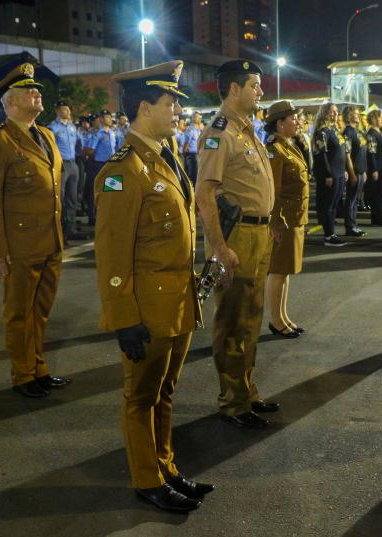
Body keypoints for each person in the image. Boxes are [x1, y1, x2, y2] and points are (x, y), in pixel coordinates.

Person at [94, 60, 213, 513]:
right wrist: (123, 317)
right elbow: (112, 253)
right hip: (147, 308)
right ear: (145, 108)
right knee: (141, 396)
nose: (178, 111)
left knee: (165, 392)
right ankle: (147, 479)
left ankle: (166, 467)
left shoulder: (165, 158)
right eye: (170, 103)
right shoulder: (124, 171)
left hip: (177, 300)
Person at [195, 59, 280, 429]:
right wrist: (219, 248)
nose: (261, 91)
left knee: (251, 316)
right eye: (254, 85)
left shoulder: (245, 129)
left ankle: (247, 391)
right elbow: (205, 195)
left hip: (258, 234)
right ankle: (233, 401)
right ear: (234, 89)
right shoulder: (219, 133)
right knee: (232, 319)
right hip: (237, 237)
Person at [0, 62, 71, 398]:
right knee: (20, 313)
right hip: (19, 245)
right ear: (11, 101)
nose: (37, 94)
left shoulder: (46, 135)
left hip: (50, 239)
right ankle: (22, 374)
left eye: (37, 90)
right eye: (29, 91)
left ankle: (38, 367)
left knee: (40, 312)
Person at [264, 100, 310, 339]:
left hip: (294, 217)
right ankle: (275, 320)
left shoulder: (289, 146)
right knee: (278, 270)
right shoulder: (274, 150)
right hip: (284, 220)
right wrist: (275, 221)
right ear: (280, 123)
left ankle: (282, 316)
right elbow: (273, 189)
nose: (297, 122)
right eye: (293, 118)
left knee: (286, 270)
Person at [312, 102, 348, 247]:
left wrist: (344, 170)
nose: (335, 113)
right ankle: (328, 236)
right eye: (332, 111)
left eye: (336, 111)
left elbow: (340, 152)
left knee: (334, 205)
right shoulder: (322, 131)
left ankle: (332, 233)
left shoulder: (333, 129)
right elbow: (321, 155)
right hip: (330, 174)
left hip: (339, 172)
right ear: (325, 113)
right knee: (328, 205)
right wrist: (328, 174)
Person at [47, 100, 81, 240]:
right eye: (65, 109)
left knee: (72, 198)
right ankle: (59, 229)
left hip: (73, 164)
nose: (68, 112)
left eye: (68, 109)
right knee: (59, 198)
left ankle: (71, 228)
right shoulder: (52, 128)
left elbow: (78, 144)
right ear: (58, 111)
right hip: (61, 166)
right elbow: (49, 148)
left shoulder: (72, 127)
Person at [86, 109, 119, 225]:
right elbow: (91, 150)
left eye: (110, 117)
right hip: (100, 165)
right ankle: (95, 216)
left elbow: (116, 148)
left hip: (112, 165)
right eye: (107, 117)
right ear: (101, 119)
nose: (109, 119)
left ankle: (111, 216)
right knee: (99, 191)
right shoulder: (98, 134)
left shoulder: (113, 133)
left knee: (113, 191)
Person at [342, 105, 367, 237]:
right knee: (351, 199)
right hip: (354, 171)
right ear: (349, 115)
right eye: (356, 114)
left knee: (355, 200)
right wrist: (352, 173)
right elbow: (347, 154)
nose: (358, 116)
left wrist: (364, 171)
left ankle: (354, 225)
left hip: (360, 171)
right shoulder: (348, 132)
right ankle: (350, 227)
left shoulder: (357, 131)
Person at [365, 109, 382, 226]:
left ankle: (380, 217)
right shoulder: (371, 134)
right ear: (374, 119)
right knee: (378, 194)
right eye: (380, 118)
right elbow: (371, 152)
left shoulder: (378, 132)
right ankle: (378, 218)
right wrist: (374, 169)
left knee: (381, 193)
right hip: (378, 168)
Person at [180, 111, 202, 184]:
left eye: (200, 117)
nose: (199, 119)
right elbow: (187, 143)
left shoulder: (198, 129)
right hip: (191, 155)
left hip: (197, 155)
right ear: (193, 118)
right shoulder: (190, 129)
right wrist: (185, 154)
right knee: (193, 175)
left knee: (197, 174)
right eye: (198, 117)